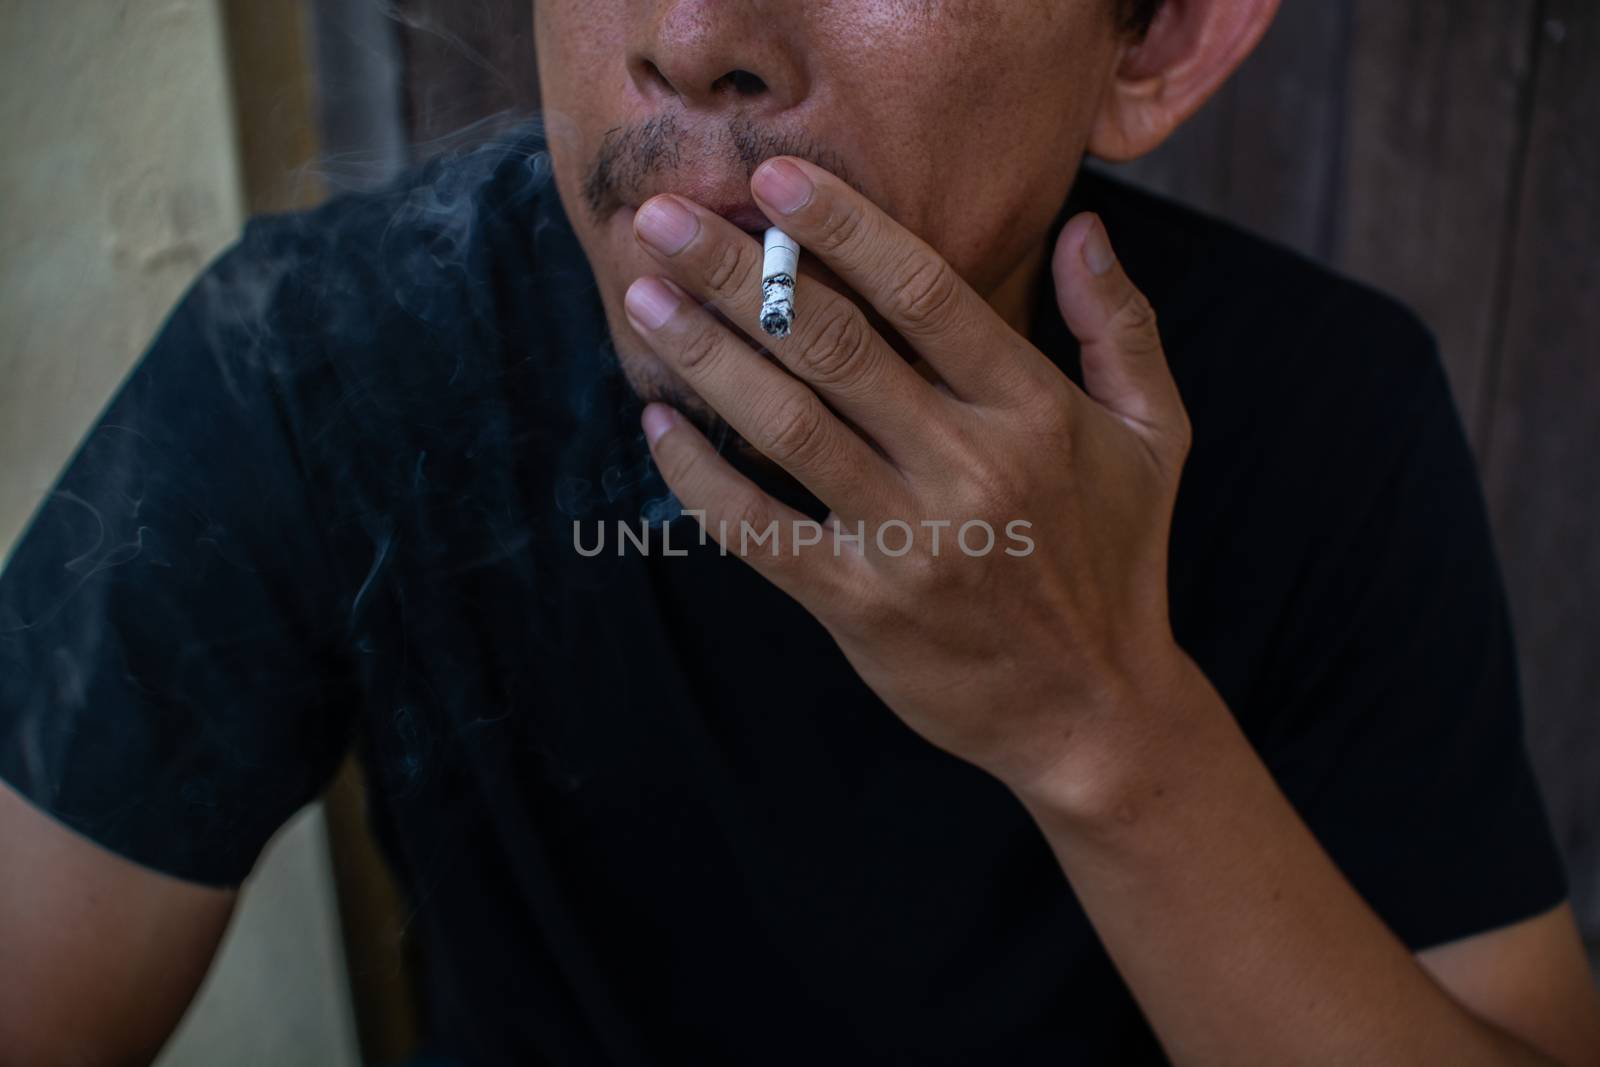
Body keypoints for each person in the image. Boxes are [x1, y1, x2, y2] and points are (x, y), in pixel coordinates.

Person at [3, 0, 1598, 1063]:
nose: (694, 39)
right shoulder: (319, 352)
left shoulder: (1330, 405)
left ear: (1160, 39)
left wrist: (1107, 732)